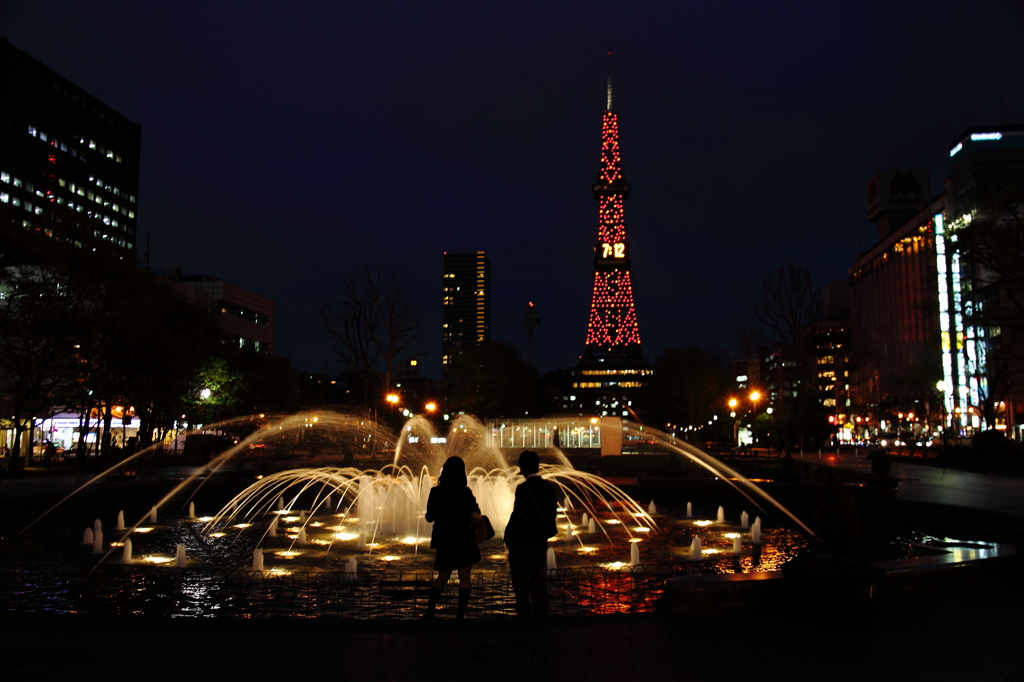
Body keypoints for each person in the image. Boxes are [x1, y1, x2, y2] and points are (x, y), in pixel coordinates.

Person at [424, 456, 481, 619]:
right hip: (465, 539)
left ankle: (429, 613)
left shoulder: (436, 492)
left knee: (442, 577)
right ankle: (460, 617)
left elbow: (429, 517)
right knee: (465, 579)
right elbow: (476, 512)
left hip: (446, 540)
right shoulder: (465, 492)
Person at [504, 449, 558, 617]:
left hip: (522, 540)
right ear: (537, 466)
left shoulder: (523, 488)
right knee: (539, 576)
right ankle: (541, 611)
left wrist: (508, 534)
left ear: (522, 468)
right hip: (540, 539)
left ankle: (524, 612)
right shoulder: (549, 487)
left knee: (521, 577)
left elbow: (518, 513)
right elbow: (552, 513)